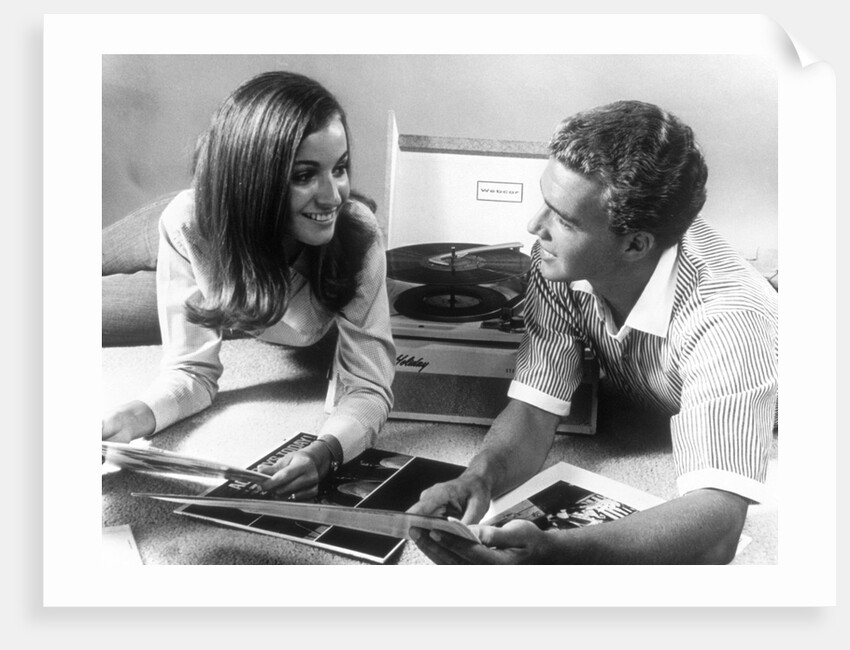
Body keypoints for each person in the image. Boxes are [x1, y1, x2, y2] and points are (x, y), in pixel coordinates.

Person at [407, 100, 778, 564]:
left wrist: (558, 554)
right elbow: (534, 410)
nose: (534, 227)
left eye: (563, 220)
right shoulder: (558, 263)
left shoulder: (729, 318)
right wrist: (477, 479)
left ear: (635, 243)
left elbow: (718, 529)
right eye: (545, 203)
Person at [101, 71, 395, 499]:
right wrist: (134, 415)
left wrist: (327, 451)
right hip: (206, 230)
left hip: (223, 292)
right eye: (304, 175)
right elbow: (187, 370)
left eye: (340, 168)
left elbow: (369, 387)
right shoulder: (188, 221)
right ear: (256, 178)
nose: (333, 196)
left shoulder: (357, 237)